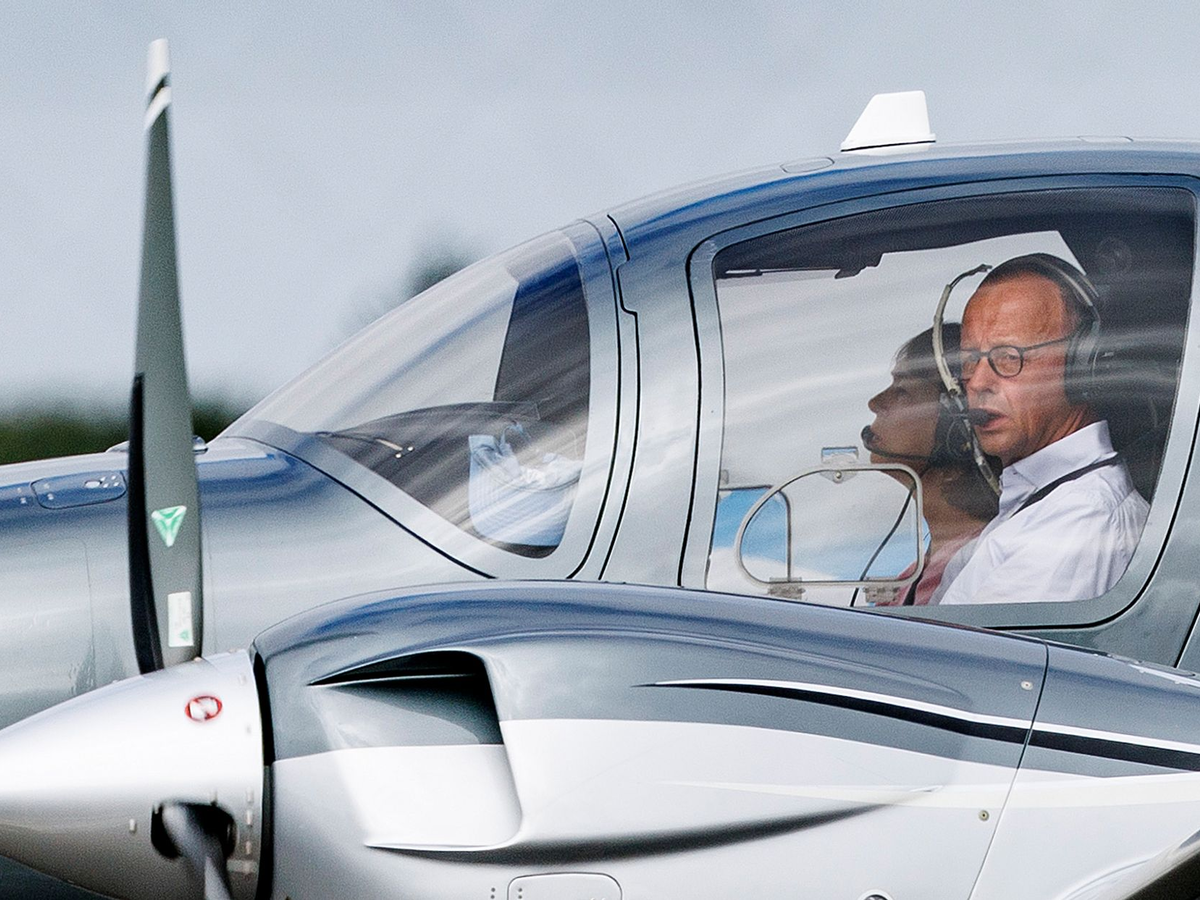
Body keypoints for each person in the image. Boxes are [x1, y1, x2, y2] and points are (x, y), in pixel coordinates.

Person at [931, 254, 1149, 605]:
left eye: (1008, 357)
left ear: (1082, 365)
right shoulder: (1038, 503)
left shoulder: (1079, 520)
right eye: (970, 360)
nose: (978, 383)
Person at [862, 325, 997, 605]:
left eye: (902, 391)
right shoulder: (913, 579)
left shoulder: (986, 569)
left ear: (957, 430)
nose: (875, 403)